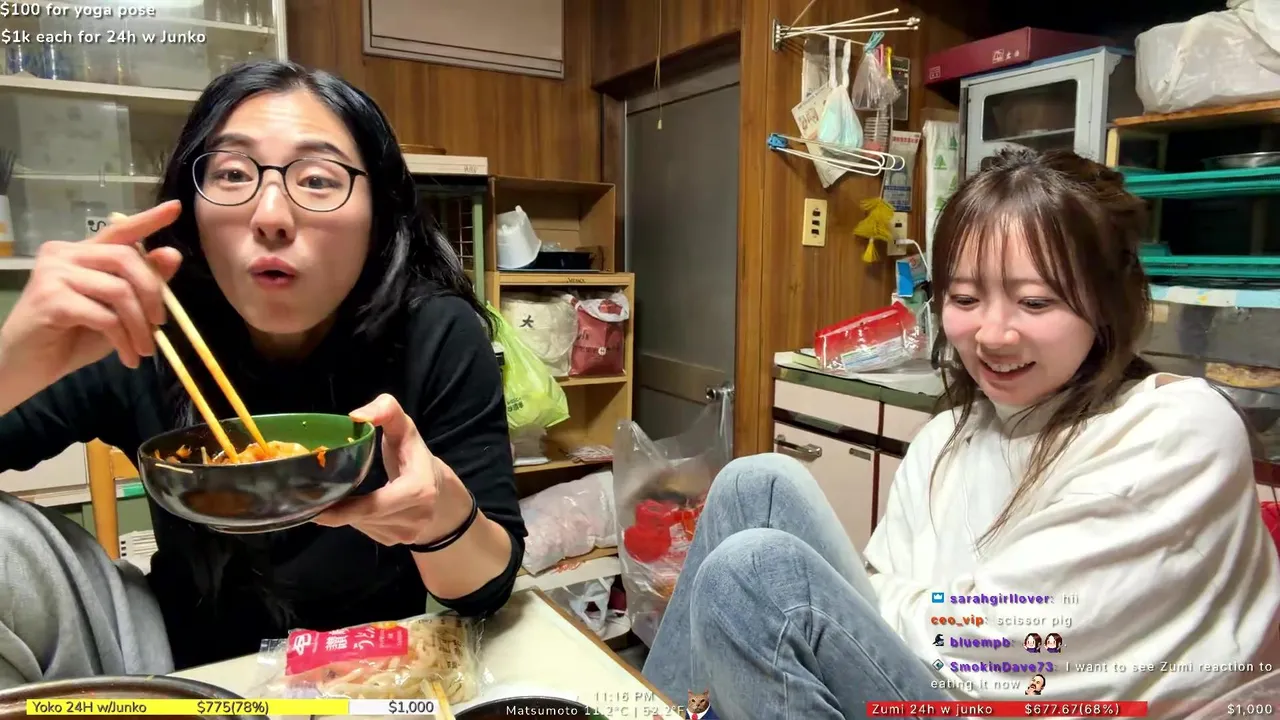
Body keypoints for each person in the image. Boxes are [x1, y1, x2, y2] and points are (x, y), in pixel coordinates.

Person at [642, 149, 1280, 718]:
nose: (993, 335)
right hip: (941, 680)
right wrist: (904, 605)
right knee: (756, 482)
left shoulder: (1174, 430)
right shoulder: (952, 433)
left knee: (752, 574)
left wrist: (877, 603)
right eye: (966, 299)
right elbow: (916, 611)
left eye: (1036, 302)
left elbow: (1005, 653)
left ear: (1108, 300)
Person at [0, 61, 525, 686]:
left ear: (379, 216)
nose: (270, 214)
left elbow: (486, 590)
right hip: (170, 664)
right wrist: (15, 358)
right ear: (191, 209)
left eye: (319, 179)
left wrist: (442, 520)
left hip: (364, 674)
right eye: (232, 174)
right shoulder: (148, 328)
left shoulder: (433, 333)